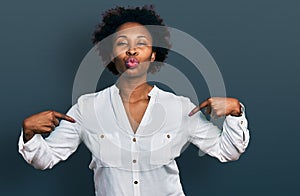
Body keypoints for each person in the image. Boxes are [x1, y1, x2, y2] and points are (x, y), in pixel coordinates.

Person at [18, 5, 250, 196]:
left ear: (153, 53)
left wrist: (235, 112)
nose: (131, 50)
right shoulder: (86, 109)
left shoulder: (179, 108)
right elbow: (46, 158)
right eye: (122, 43)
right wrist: (30, 134)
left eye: (140, 43)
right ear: (111, 54)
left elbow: (227, 151)